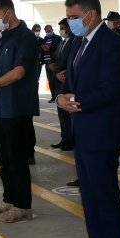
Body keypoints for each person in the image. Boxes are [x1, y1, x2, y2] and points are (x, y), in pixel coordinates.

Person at [57, 0, 120, 238]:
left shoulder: (111, 43)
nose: (71, 22)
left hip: (103, 130)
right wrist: (62, 97)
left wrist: (77, 99)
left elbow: (111, 88)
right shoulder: (78, 42)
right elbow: (70, 80)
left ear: (91, 14)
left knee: (105, 197)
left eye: (74, 17)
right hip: (83, 131)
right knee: (90, 197)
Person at [0, 0, 39, 223]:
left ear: (8, 13)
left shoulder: (26, 37)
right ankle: (9, 198)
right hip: (1, 104)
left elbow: (19, 72)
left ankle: (23, 205)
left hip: (17, 106)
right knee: (3, 156)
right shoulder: (6, 37)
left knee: (17, 158)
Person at [48, 19, 75, 150]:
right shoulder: (62, 42)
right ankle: (65, 138)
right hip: (58, 81)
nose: (62, 31)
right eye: (60, 28)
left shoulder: (75, 41)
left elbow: (73, 62)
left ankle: (71, 139)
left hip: (67, 81)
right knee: (61, 113)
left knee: (68, 113)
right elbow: (55, 57)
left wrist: (63, 73)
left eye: (63, 28)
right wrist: (51, 65)